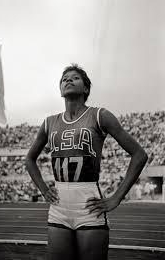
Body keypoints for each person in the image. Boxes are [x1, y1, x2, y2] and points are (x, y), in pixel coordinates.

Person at [25, 64, 148, 260]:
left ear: (86, 89)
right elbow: (29, 160)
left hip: (89, 206)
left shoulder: (100, 115)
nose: (68, 80)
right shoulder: (49, 122)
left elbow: (139, 154)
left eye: (75, 77)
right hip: (58, 207)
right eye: (64, 79)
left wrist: (116, 197)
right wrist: (44, 190)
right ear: (60, 90)